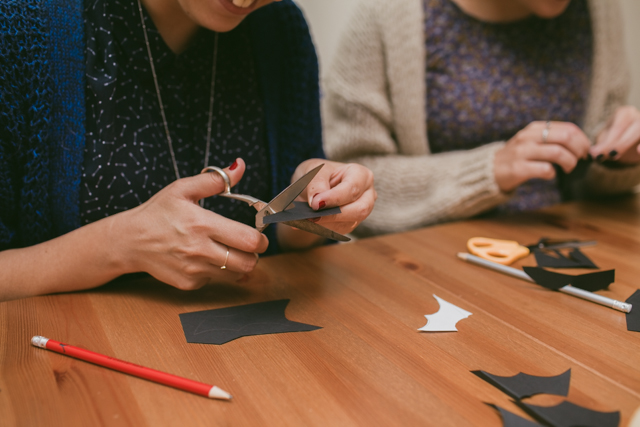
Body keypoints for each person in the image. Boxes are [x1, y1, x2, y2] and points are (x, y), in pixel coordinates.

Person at [0, 0, 376, 301]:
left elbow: (279, 241)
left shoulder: (279, 29)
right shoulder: (21, 27)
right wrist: (118, 245)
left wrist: (311, 206)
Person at [323, 0, 640, 237]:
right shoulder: (388, 14)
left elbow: (591, 185)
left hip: (561, 246)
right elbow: (350, 184)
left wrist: (618, 161)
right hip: (424, 261)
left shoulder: (598, 10)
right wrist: (488, 170)